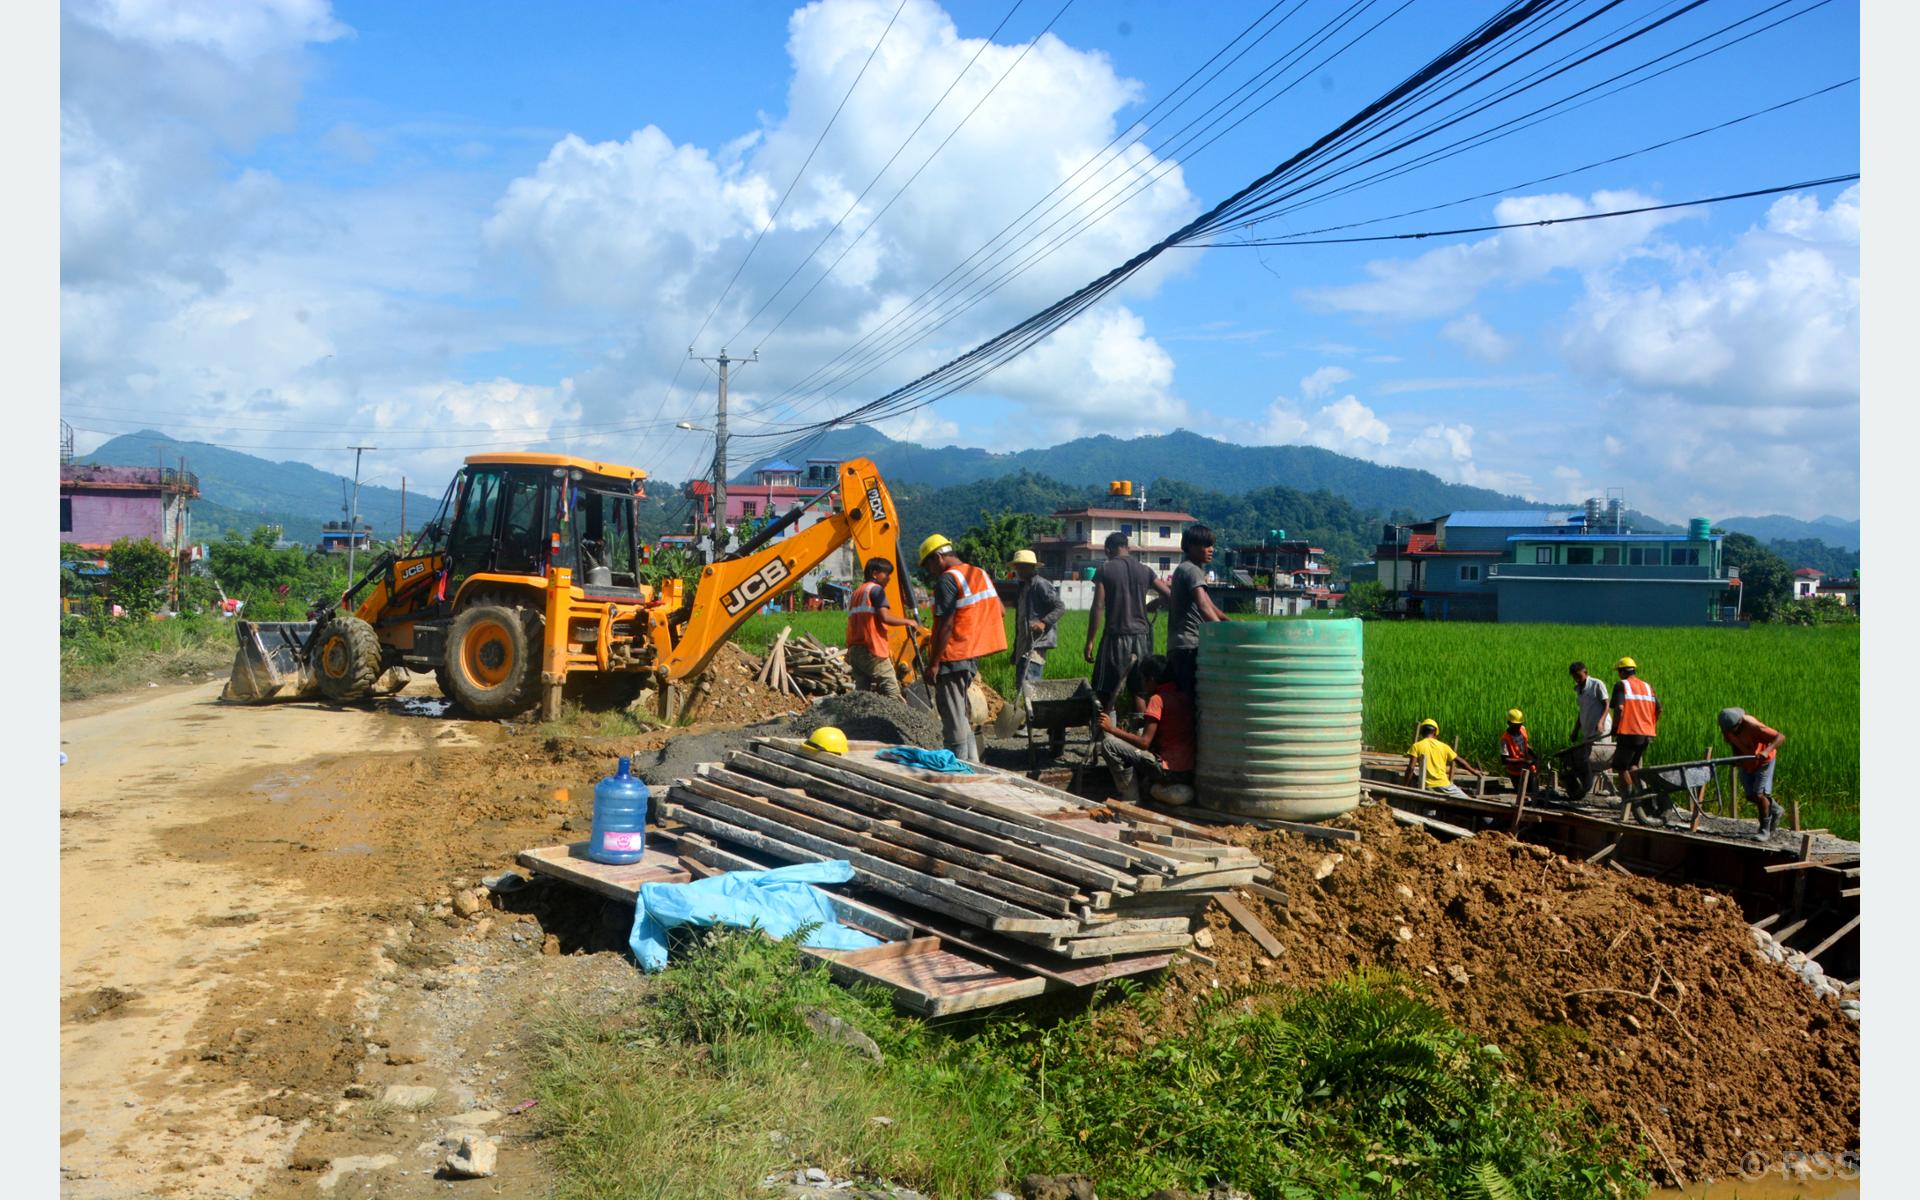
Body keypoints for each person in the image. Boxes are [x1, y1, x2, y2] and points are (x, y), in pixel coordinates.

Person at [920, 534, 1006, 763]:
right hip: (971, 655)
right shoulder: (979, 574)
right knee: (961, 713)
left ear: (938, 557)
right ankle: (971, 763)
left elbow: (946, 625)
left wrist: (934, 664)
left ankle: (957, 766)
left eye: (928, 565)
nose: (930, 571)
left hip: (952, 655)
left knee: (952, 716)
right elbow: (1000, 611)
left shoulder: (947, 580)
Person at [1083, 531, 1171, 715]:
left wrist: (1090, 640)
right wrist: (1154, 604)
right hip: (1142, 638)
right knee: (1139, 691)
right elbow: (1169, 595)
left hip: (1116, 637)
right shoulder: (1145, 570)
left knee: (1105, 690)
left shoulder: (1105, 570)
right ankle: (1141, 729)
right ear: (1127, 548)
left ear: (1108, 550)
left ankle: (1106, 728)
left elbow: (1098, 606)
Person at [1095, 655, 1195, 805]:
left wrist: (1111, 729)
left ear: (1152, 679)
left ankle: (1130, 798)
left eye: (1144, 680)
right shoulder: (1183, 697)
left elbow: (1144, 743)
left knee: (1109, 744)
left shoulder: (1157, 699)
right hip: (1187, 771)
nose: (1143, 685)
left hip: (1167, 771)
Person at [844, 557, 920, 700]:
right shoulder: (876, 590)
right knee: (892, 691)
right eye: (886, 574)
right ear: (875, 574)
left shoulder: (856, 593)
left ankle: (859, 715)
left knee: (862, 694)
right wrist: (909, 622)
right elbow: (885, 617)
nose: (889, 578)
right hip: (872, 650)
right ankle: (896, 715)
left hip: (855, 650)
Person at [1166, 525, 1226, 699]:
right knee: (1191, 700)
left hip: (1180, 645)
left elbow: (1211, 606)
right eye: (1206, 545)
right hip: (1189, 645)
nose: (1211, 549)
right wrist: (1222, 632)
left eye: (1211, 545)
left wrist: (1230, 623)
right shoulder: (1192, 571)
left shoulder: (1187, 569)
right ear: (1191, 547)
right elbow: (1203, 605)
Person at [1718, 708, 1788, 839]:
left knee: (1759, 794)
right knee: (1750, 795)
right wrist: (1737, 758)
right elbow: (1733, 743)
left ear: (1739, 723)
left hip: (1764, 761)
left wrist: (1766, 751)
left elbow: (1780, 737)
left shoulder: (1753, 726)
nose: (1729, 732)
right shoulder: (1727, 729)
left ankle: (1764, 830)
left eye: (1733, 729)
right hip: (1748, 761)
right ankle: (1775, 809)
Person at [1008, 549, 1065, 699]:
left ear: (1031, 567)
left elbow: (1060, 607)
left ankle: (1032, 712)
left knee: (1030, 684)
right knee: (1021, 685)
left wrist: (1044, 622)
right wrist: (1015, 650)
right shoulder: (1022, 587)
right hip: (1023, 644)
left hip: (1036, 644)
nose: (1019, 570)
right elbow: (1020, 620)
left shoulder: (1041, 585)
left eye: (1022, 566)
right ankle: (1025, 712)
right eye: (1017, 566)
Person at [1608, 656, 1660, 802]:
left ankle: (1630, 799)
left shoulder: (1622, 685)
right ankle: (1642, 795)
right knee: (1633, 765)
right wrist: (1650, 725)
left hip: (1629, 732)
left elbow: (1619, 708)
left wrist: (1615, 728)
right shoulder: (1647, 687)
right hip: (1647, 734)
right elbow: (1659, 709)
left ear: (1622, 672)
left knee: (1620, 766)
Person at [1566, 660, 1612, 802]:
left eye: (1579, 676)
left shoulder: (1597, 684)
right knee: (1591, 760)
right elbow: (1582, 712)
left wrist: (1601, 721)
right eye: (1575, 677)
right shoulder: (1579, 689)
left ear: (1586, 673)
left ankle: (1608, 788)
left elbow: (1607, 704)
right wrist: (1575, 730)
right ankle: (1592, 789)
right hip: (1588, 729)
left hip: (1601, 728)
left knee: (1604, 758)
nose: (1577, 679)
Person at [1403, 718, 1483, 799]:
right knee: (1468, 801)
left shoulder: (1417, 746)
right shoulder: (1444, 746)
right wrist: (1473, 771)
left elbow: (1411, 768)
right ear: (1435, 733)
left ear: (1422, 732)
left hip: (1426, 786)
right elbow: (1460, 761)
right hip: (1444, 785)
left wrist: (1405, 786)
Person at [1499, 708, 1540, 793]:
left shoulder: (1522, 729)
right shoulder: (1504, 740)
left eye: (1519, 724)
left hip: (1529, 768)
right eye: (1515, 725)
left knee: (1534, 791)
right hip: (1516, 773)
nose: (1518, 727)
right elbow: (1504, 760)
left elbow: (1526, 744)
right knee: (1522, 792)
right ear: (1509, 723)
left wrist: (1534, 756)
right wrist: (1523, 761)